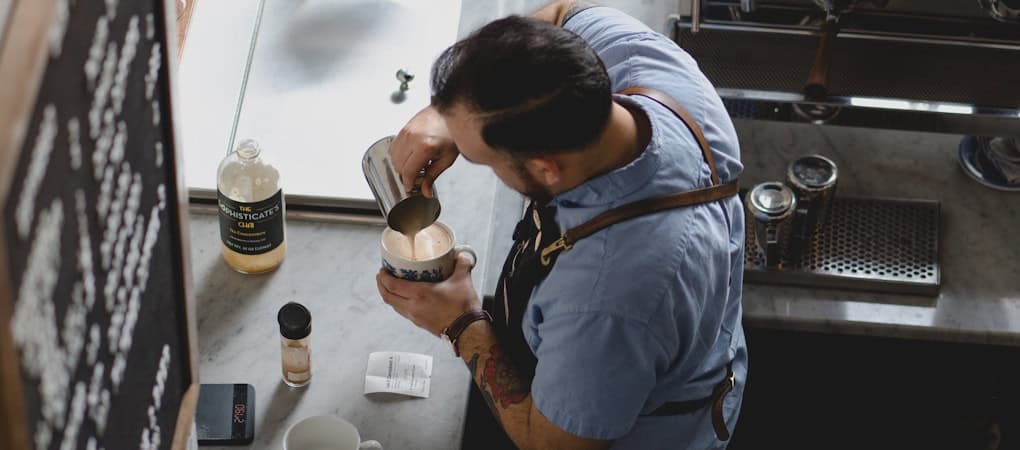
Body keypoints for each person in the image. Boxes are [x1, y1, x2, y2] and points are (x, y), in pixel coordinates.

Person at [375, 1, 747, 449]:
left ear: (547, 168)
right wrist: (448, 112)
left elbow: (550, 442)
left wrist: (460, 322)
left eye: (481, 158)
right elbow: (560, 13)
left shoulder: (605, 300)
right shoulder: (653, 68)